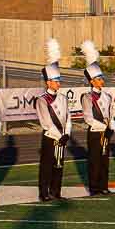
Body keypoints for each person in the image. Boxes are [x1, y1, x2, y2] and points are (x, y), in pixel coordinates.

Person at [36, 39, 72, 203]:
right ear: (48, 82)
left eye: (59, 80)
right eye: (56, 81)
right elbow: (46, 122)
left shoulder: (63, 98)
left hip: (61, 136)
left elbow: (68, 117)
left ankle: (56, 191)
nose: (59, 83)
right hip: (50, 136)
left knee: (59, 165)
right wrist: (59, 135)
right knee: (47, 165)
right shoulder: (42, 100)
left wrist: (67, 133)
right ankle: (44, 193)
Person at [81, 40, 114, 195]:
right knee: (94, 160)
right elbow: (88, 118)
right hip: (95, 132)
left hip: (106, 132)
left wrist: (111, 127)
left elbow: (110, 114)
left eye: (102, 78)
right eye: (99, 78)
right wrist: (104, 127)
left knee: (105, 160)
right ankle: (94, 188)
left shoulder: (107, 96)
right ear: (92, 81)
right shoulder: (87, 97)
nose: (102, 80)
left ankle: (104, 186)